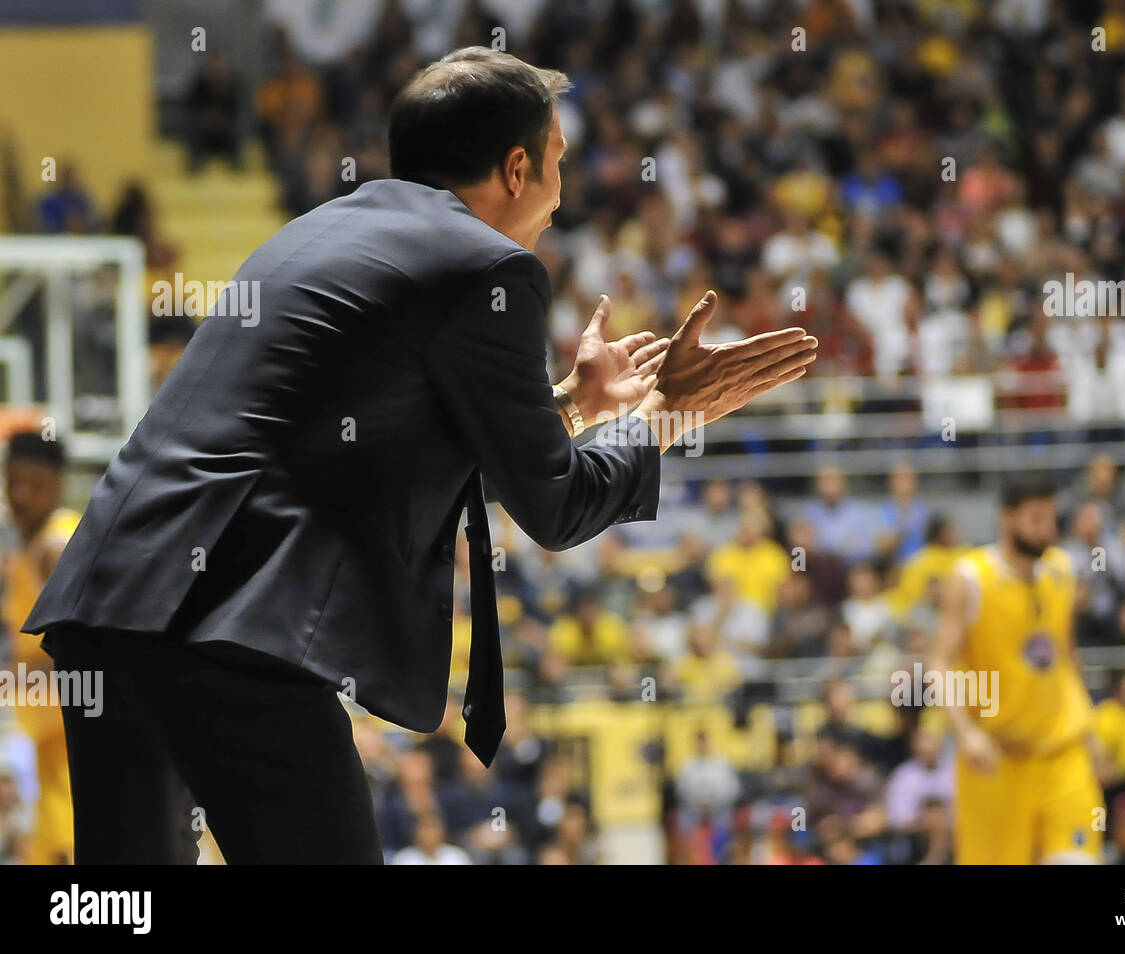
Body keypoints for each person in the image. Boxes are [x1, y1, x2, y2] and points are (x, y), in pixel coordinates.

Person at [22, 47, 817, 864]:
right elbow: (555, 505)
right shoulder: (493, 268)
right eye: (556, 164)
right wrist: (663, 414)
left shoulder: (317, 231)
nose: (559, 194)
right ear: (516, 169)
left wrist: (574, 405)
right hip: (228, 625)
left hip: (111, 601)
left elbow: (367, 434)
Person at [929, 473, 1102, 864]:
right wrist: (966, 733)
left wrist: (1088, 724)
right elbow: (938, 663)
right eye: (1037, 519)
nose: (1049, 531)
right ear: (1007, 518)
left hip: (1062, 753)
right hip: (995, 761)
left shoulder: (1062, 570)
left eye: (1053, 519)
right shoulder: (971, 578)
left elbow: (1066, 657)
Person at [0, 433, 78, 864]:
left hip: (73, 740)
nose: (20, 495)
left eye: (34, 484)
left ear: (58, 484)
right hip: (50, 744)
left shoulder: (55, 546)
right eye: (12, 482)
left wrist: (12, 681)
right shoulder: (31, 547)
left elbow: (84, 651)